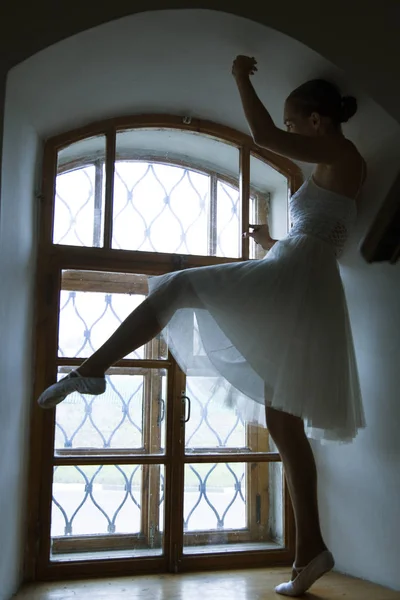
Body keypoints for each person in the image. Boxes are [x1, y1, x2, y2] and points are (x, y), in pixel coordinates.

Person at [37, 56, 366, 596]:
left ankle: (93, 368)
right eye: (285, 122)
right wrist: (272, 246)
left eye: (292, 121)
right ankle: (312, 551)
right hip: (303, 279)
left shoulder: (339, 151)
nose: (285, 131)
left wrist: (240, 76)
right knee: (285, 427)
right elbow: (328, 234)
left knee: (178, 286)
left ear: (317, 121)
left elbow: (259, 136)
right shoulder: (341, 164)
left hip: (301, 279)